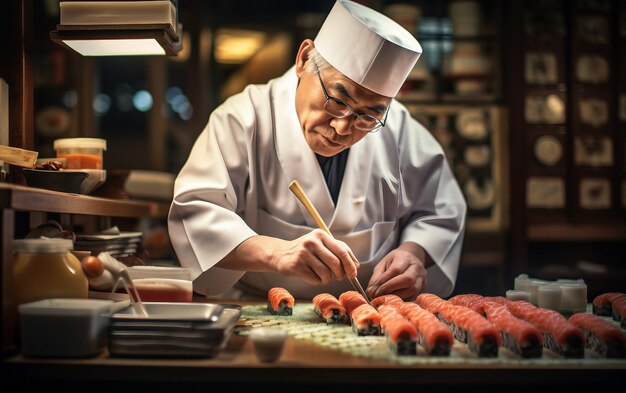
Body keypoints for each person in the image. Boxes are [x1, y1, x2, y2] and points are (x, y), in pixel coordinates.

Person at [168, 0, 467, 301]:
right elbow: (196, 213)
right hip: (263, 311)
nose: (341, 128)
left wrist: (413, 252)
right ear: (304, 58)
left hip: (371, 313)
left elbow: (440, 212)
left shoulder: (399, 128)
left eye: (367, 117)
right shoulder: (244, 120)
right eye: (337, 101)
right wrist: (278, 254)